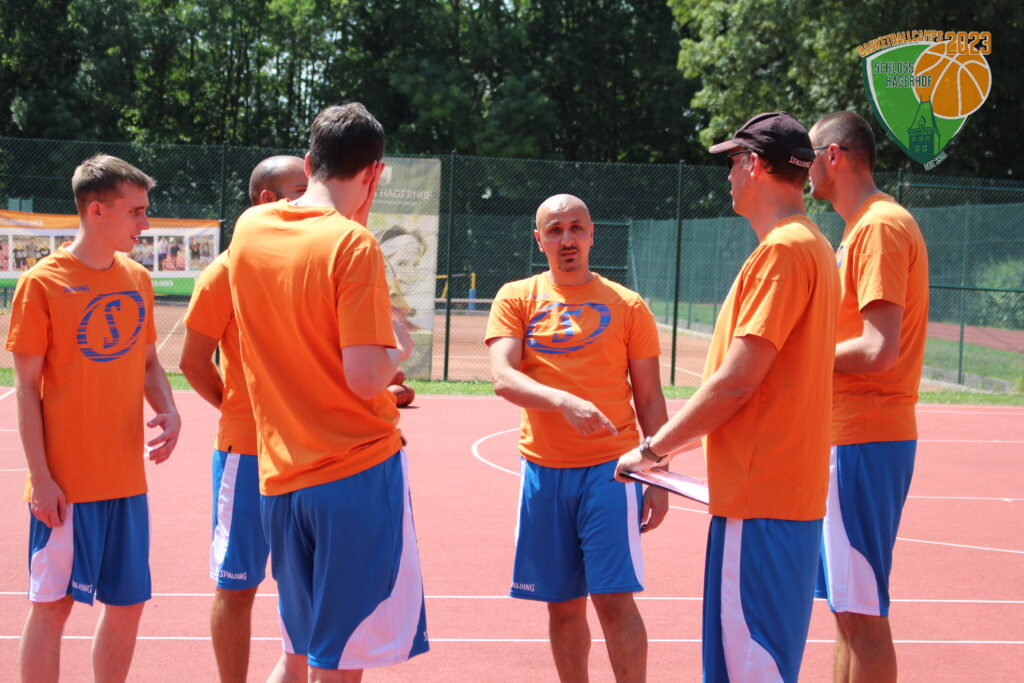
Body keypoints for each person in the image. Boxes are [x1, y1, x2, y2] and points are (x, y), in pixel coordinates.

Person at [615, 112, 840, 683]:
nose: (729, 175)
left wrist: (654, 449)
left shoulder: (784, 251)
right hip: (776, 497)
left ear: (756, 165)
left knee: (749, 667)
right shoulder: (811, 245)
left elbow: (739, 381)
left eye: (735, 161)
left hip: (761, 501)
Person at [228, 103, 428, 682]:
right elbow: (366, 377)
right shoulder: (353, 245)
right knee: (341, 661)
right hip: (354, 473)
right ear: (375, 173)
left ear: (310, 160)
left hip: (281, 475)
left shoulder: (249, 229)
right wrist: (399, 348)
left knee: (303, 650)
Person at [6, 154, 181, 683]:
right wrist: (41, 478)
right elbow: (25, 390)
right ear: (97, 211)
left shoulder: (137, 278)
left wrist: (169, 408)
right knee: (53, 607)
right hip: (67, 485)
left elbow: (147, 363)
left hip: (126, 480)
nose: (145, 222)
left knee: (128, 604)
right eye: (136, 211)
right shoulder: (42, 283)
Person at [485, 194, 669, 683]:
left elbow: (650, 398)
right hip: (543, 472)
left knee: (613, 600)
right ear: (539, 239)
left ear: (591, 235)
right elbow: (503, 377)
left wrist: (658, 474)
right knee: (563, 606)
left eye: (575, 228)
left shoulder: (627, 305)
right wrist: (563, 401)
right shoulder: (516, 297)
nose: (566, 239)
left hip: (613, 471)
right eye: (555, 230)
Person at [808, 111, 930, 683]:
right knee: (847, 613)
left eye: (809, 155)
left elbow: (879, 349)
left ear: (833, 155)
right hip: (850, 436)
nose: (804, 168)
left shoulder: (879, 226)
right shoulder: (861, 227)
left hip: (864, 435)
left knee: (861, 616)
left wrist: (796, 360)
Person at [179, 154, 306, 683]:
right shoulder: (225, 271)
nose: (311, 199)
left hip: (310, 453)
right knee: (237, 586)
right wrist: (239, 410)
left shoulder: (310, 263)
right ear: (267, 200)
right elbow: (192, 361)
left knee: (306, 585)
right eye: (300, 190)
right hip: (248, 453)